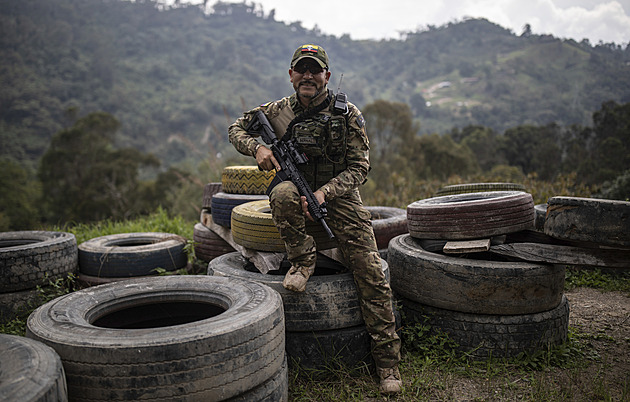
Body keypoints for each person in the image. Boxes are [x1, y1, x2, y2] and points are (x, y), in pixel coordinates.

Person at [228, 44, 402, 394]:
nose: (308, 76)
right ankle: (302, 261)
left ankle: (387, 366)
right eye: (301, 70)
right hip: (296, 191)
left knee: (370, 272)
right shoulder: (275, 111)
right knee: (280, 192)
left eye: (315, 70)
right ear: (291, 75)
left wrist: (325, 193)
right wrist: (258, 149)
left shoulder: (347, 113)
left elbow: (360, 167)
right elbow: (236, 128)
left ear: (326, 74)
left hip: (339, 196)